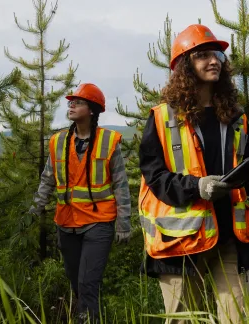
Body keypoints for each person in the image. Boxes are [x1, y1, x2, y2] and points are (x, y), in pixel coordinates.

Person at [138, 24, 249, 324]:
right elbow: (155, 177)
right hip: (182, 244)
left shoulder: (237, 117)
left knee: (237, 318)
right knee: (187, 321)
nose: (214, 60)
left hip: (228, 238)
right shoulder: (162, 118)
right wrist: (196, 186)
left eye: (216, 55)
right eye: (202, 55)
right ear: (185, 65)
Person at [30, 83, 132, 323]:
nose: (72, 105)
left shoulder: (108, 141)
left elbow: (121, 185)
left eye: (78, 102)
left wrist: (123, 224)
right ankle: (89, 317)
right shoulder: (58, 141)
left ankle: (88, 320)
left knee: (88, 282)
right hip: (66, 224)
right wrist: (34, 210)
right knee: (76, 280)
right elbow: (48, 179)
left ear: (93, 110)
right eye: (70, 102)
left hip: (99, 224)